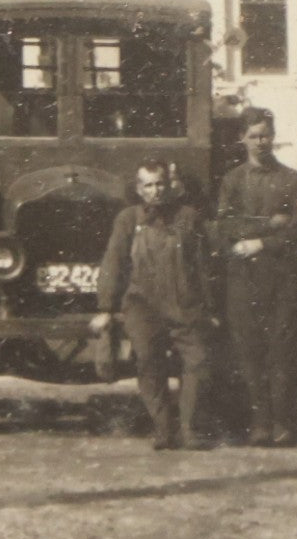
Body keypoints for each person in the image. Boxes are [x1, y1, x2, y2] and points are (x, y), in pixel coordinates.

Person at [91, 159, 215, 450]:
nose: (155, 191)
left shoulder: (188, 217)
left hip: (184, 304)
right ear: (139, 189)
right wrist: (106, 307)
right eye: (148, 185)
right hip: (142, 306)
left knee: (197, 362)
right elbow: (113, 262)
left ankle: (189, 428)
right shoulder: (128, 220)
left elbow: (203, 267)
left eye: (160, 184)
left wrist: (209, 309)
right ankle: (162, 429)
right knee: (148, 361)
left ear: (169, 185)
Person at [214, 108, 297, 446]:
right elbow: (224, 225)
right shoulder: (232, 180)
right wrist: (271, 222)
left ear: (273, 136)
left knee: (282, 350)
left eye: (265, 135)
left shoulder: (292, 179)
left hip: (283, 277)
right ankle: (259, 423)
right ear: (242, 138)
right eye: (253, 135)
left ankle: (282, 423)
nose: (260, 142)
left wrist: (261, 240)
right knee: (249, 351)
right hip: (244, 277)